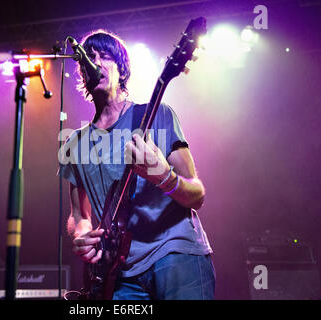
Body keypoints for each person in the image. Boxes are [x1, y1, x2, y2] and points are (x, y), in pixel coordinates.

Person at [58, 30, 215, 300]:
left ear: (122, 69)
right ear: (82, 74)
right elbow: (79, 215)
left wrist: (164, 176)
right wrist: (82, 235)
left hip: (175, 254)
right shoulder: (74, 143)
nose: (95, 63)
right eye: (88, 59)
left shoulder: (156, 115)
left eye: (104, 57)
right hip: (118, 275)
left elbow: (196, 195)